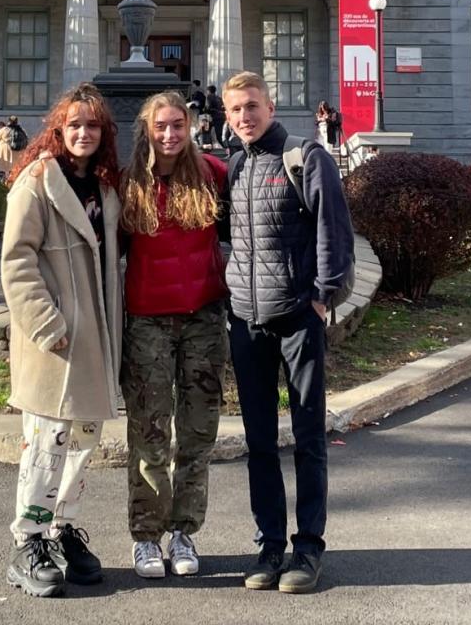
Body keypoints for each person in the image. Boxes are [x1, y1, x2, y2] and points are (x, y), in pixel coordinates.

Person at [222, 71, 354, 594]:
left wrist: (325, 295)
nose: (244, 117)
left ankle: (308, 548)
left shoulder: (304, 157)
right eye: (235, 110)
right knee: (258, 442)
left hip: (298, 318)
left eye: (252, 106)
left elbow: (334, 228)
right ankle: (270, 545)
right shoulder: (232, 166)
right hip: (247, 321)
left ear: (270, 107)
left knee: (307, 438)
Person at [0, 83, 123, 598]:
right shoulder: (36, 181)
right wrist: (48, 325)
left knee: (83, 443)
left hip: (96, 341)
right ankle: (27, 541)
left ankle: (61, 528)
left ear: (104, 132)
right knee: (47, 444)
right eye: (74, 124)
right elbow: (16, 261)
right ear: (59, 128)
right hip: (56, 339)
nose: (83, 133)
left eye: (92, 125)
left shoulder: (106, 188)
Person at [119, 91, 229, 580]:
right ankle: (146, 536)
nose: (169, 134)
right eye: (161, 126)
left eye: (178, 125)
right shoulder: (127, 184)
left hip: (203, 316)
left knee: (199, 429)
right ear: (147, 129)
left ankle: (184, 530)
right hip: (147, 319)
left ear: (191, 127)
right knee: (150, 429)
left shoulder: (213, 173)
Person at [0, 116, 29, 181]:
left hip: (6, 150)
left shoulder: (4, 129)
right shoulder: (21, 130)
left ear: (9, 121)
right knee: (15, 167)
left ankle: (7, 180)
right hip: (18, 151)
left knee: (6, 167)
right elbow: (26, 139)